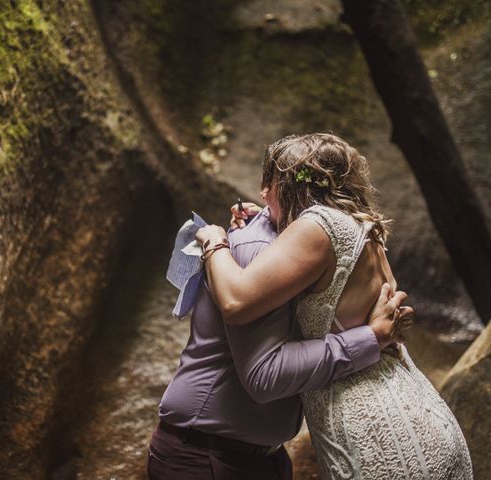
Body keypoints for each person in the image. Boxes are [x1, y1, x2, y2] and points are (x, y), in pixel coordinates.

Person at [196, 133, 473, 479]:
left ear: (286, 184)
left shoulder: (317, 227)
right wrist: (265, 222)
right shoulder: (363, 228)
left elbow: (236, 301)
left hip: (377, 432)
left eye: (268, 184)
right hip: (421, 414)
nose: (262, 195)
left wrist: (215, 241)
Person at [148, 167, 412, 477]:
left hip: (263, 456)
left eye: (322, 188)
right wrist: (371, 338)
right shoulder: (255, 248)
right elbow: (265, 375)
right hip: (205, 453)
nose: (309, 198)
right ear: (266, 189)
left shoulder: (311, 243)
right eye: (296, 185)